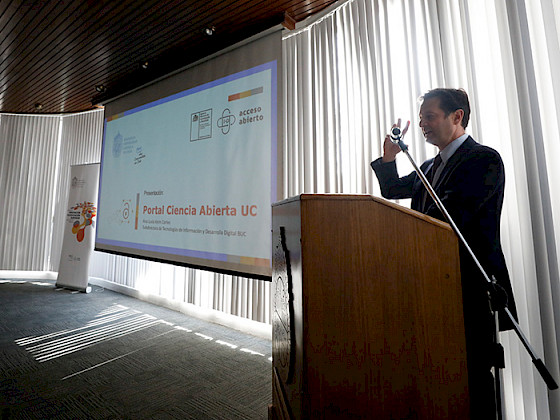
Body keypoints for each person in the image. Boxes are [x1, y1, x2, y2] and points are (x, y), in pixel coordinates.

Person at [370, 88, 517, 419]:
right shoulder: (428, 166)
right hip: (433, 284)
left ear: (457, 116)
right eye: (421, 118)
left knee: (475, 378)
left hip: (472, 286)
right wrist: (390, 157)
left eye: (430, 117)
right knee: (442, 374)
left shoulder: (483, 159)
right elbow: (393, 190)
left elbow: (452, 217)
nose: (422, 124)